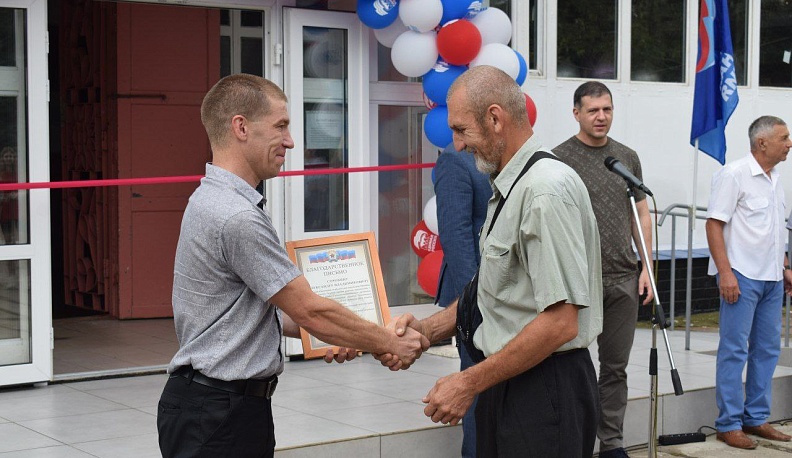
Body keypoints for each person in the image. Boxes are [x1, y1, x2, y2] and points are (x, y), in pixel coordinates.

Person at [156, 74, 429, 458]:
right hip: (219, 413)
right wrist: (388, 341)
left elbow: (249, 315)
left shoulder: (214, 198)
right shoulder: (236, 215)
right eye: (280, 126)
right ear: (241, 128)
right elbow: (308, 309)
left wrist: (341, 334)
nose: (290, 141)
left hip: (218, 407)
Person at [378, 65, 603, 457]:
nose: (457, 144)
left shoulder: (543, 191)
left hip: (543, 390)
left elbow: (560, 322)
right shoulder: (512, 184)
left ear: (495, 119)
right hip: (509, 380)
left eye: (461, 129)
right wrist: (428, 330)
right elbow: (493, 290)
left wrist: (468, 382)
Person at [552, 81, 653, 458]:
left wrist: (647, 268)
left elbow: (640, 213)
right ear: (576, 113)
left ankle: (611, 444)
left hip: (623, 279)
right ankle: (573, 441)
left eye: (607, 109)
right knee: (570, 366)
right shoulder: (559, 158)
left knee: (615, 369)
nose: (601, 117)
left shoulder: (626, 158)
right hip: (579, 283)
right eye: (593, 110)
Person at [706, 115, 792, 450]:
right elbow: (714, 225)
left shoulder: (775, 178)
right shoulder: (734, 174)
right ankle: (728, 423)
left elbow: (773, 229)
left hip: (771, 277)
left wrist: (784, 266)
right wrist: (725, 272)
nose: (789, 144)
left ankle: (756, 417)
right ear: (762, 143)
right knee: (734, 349)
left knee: (767, 349)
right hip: (741, 275)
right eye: (784, 138)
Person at [433, 143, 491, 457]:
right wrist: (474, 301)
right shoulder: (456, 161)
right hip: (476, 302)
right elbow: (455, 234)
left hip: (510, 299)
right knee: (477, 392)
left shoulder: (506, 157)